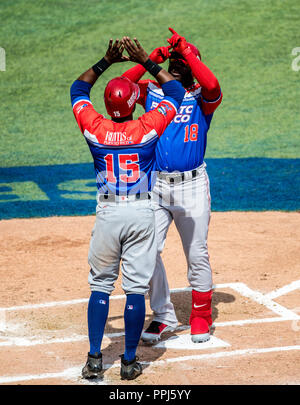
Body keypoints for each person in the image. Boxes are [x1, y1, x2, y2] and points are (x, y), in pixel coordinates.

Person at [70, 37, 185, 380]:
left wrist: (107, 60)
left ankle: (94, 359)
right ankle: (129, 361)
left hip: (107, 216)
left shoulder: (95, 128)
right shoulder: (146, 127)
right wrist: (148, 62)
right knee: (135, 290)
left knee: (100, 287)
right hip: (140, 215)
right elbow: (176, 93)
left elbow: (77, 90)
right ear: (135, 102)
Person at [121, 28, 223, 344]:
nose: (176, 65)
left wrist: (187, 52)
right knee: (143, 249)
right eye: (174, 61)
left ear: (192, 66)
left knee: (196, 253)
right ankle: (164, 316)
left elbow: (213, 84)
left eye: (181, 62)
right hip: (156, 186)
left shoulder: (202, 99)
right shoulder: (152, 92)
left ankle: (201, 317)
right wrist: (151, 59)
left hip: (192, 187)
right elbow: (123, 87)